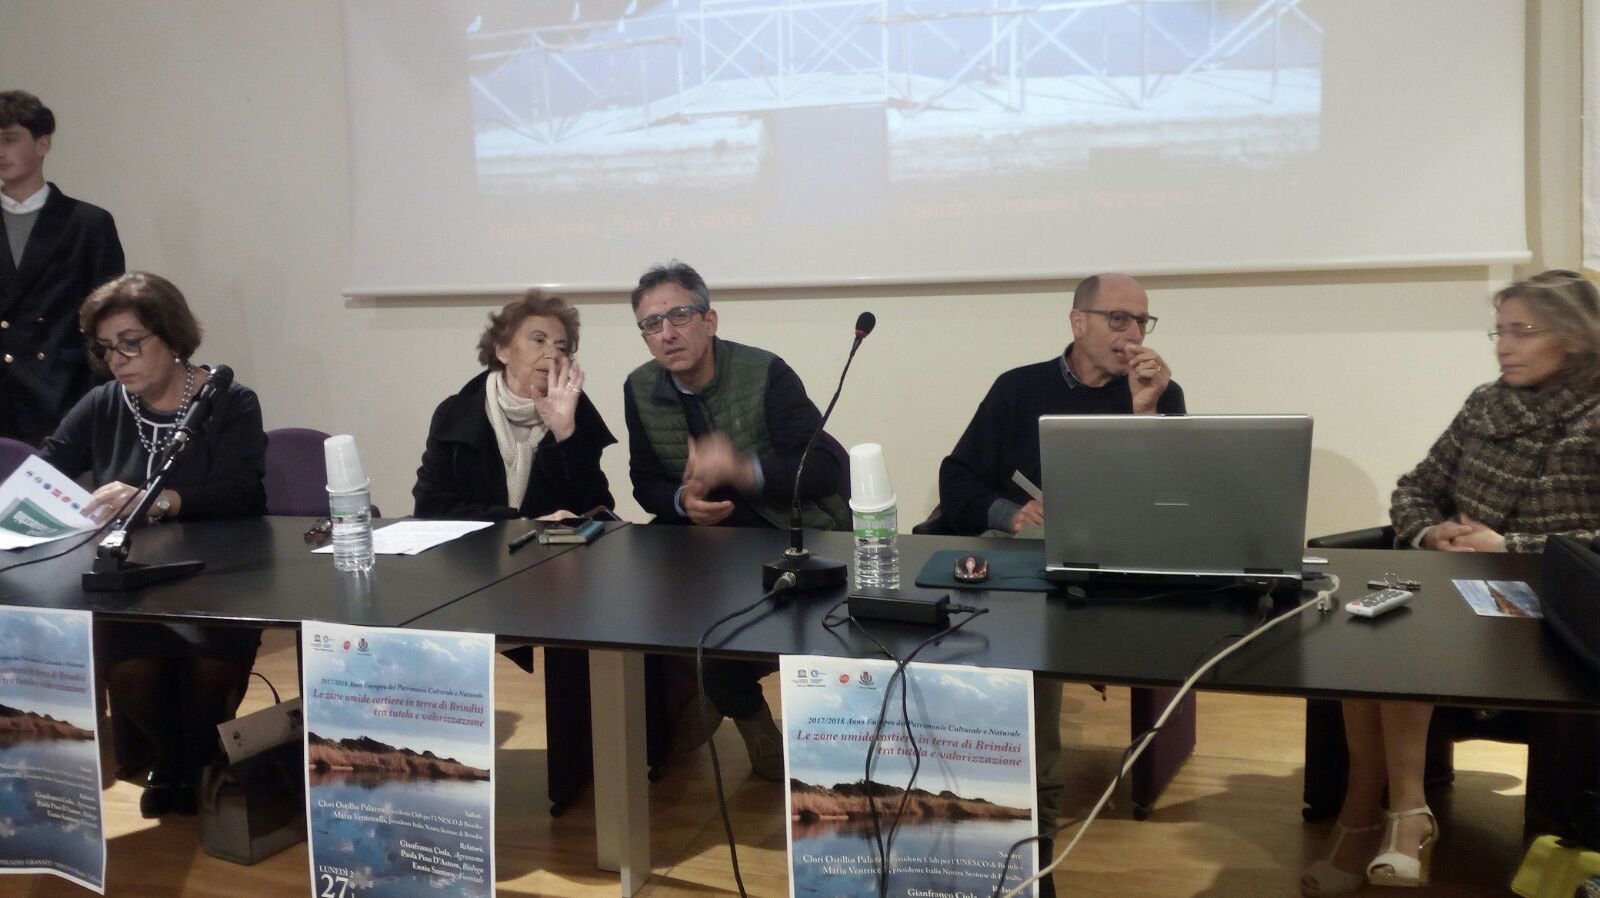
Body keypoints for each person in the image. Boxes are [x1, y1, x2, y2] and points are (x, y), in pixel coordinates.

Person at [1302, 270, 1600, 895]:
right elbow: (1415, 488)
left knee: (1408, 634)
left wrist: (1509, 547)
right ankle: (1388, 811)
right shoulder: (1486, 403)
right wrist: (1430, 532)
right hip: (1459, 584)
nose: (1504, 346)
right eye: (1500, 331)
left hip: (1557, 606)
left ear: (1574, 336)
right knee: (1366, 621)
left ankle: (1383, 818)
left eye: (1523, 331)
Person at [936, 273, 1183, 890]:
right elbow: (957, 480)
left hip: (1123, 565)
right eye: (1118, 318)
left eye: (1141, 321)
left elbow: (1173, 501)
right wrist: (1010, 514)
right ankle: (1033, 828)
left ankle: (1033, 818)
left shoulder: (1160, 392)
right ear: (1078, 322)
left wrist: (1146, 412)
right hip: (1036, 569)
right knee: (1031, 635)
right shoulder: (1019, 389)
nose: (1132, 334)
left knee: (1039, 632)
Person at [39, 272, 266, 818]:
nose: (117, 360)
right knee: (131, 668)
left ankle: (196, 760)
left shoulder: (228, 400)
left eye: (131, 343)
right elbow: (47, 468)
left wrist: (158, 500)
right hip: (130, 579)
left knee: (210, 666)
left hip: (220, 575)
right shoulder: (103, 404)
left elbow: (245, 492)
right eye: (105, 348)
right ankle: (173, 760)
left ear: (171, 336)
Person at [623, 261, 849, 781]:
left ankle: (722, 690)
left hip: (786, 531)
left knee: (755, 615)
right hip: (701, 541)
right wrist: (681, 501)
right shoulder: (639, 389)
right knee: (645, 601)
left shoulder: (765, 372)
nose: (667, 333)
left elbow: (823, 467)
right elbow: (643, 481)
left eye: (680, 316)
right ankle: (750, 716)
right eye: (652, 324)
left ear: (710, 320)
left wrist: (741, 469)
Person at [413, 289, 615, 521]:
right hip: (480, 544)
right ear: (502, 350)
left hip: (555, 545)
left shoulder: (576, 414)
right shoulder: (456, 414)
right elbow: (430, 508)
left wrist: (566, 436)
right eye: (539, 340)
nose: (552, 354)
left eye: (561, 347)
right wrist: (517, 524)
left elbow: (599, 511)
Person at [0, 90, 125, 445]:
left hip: (60, 395)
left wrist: (95, 398)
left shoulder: (88, 223)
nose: (0, 151)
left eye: (10, 139)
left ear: (43, 144)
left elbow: (108, 319)